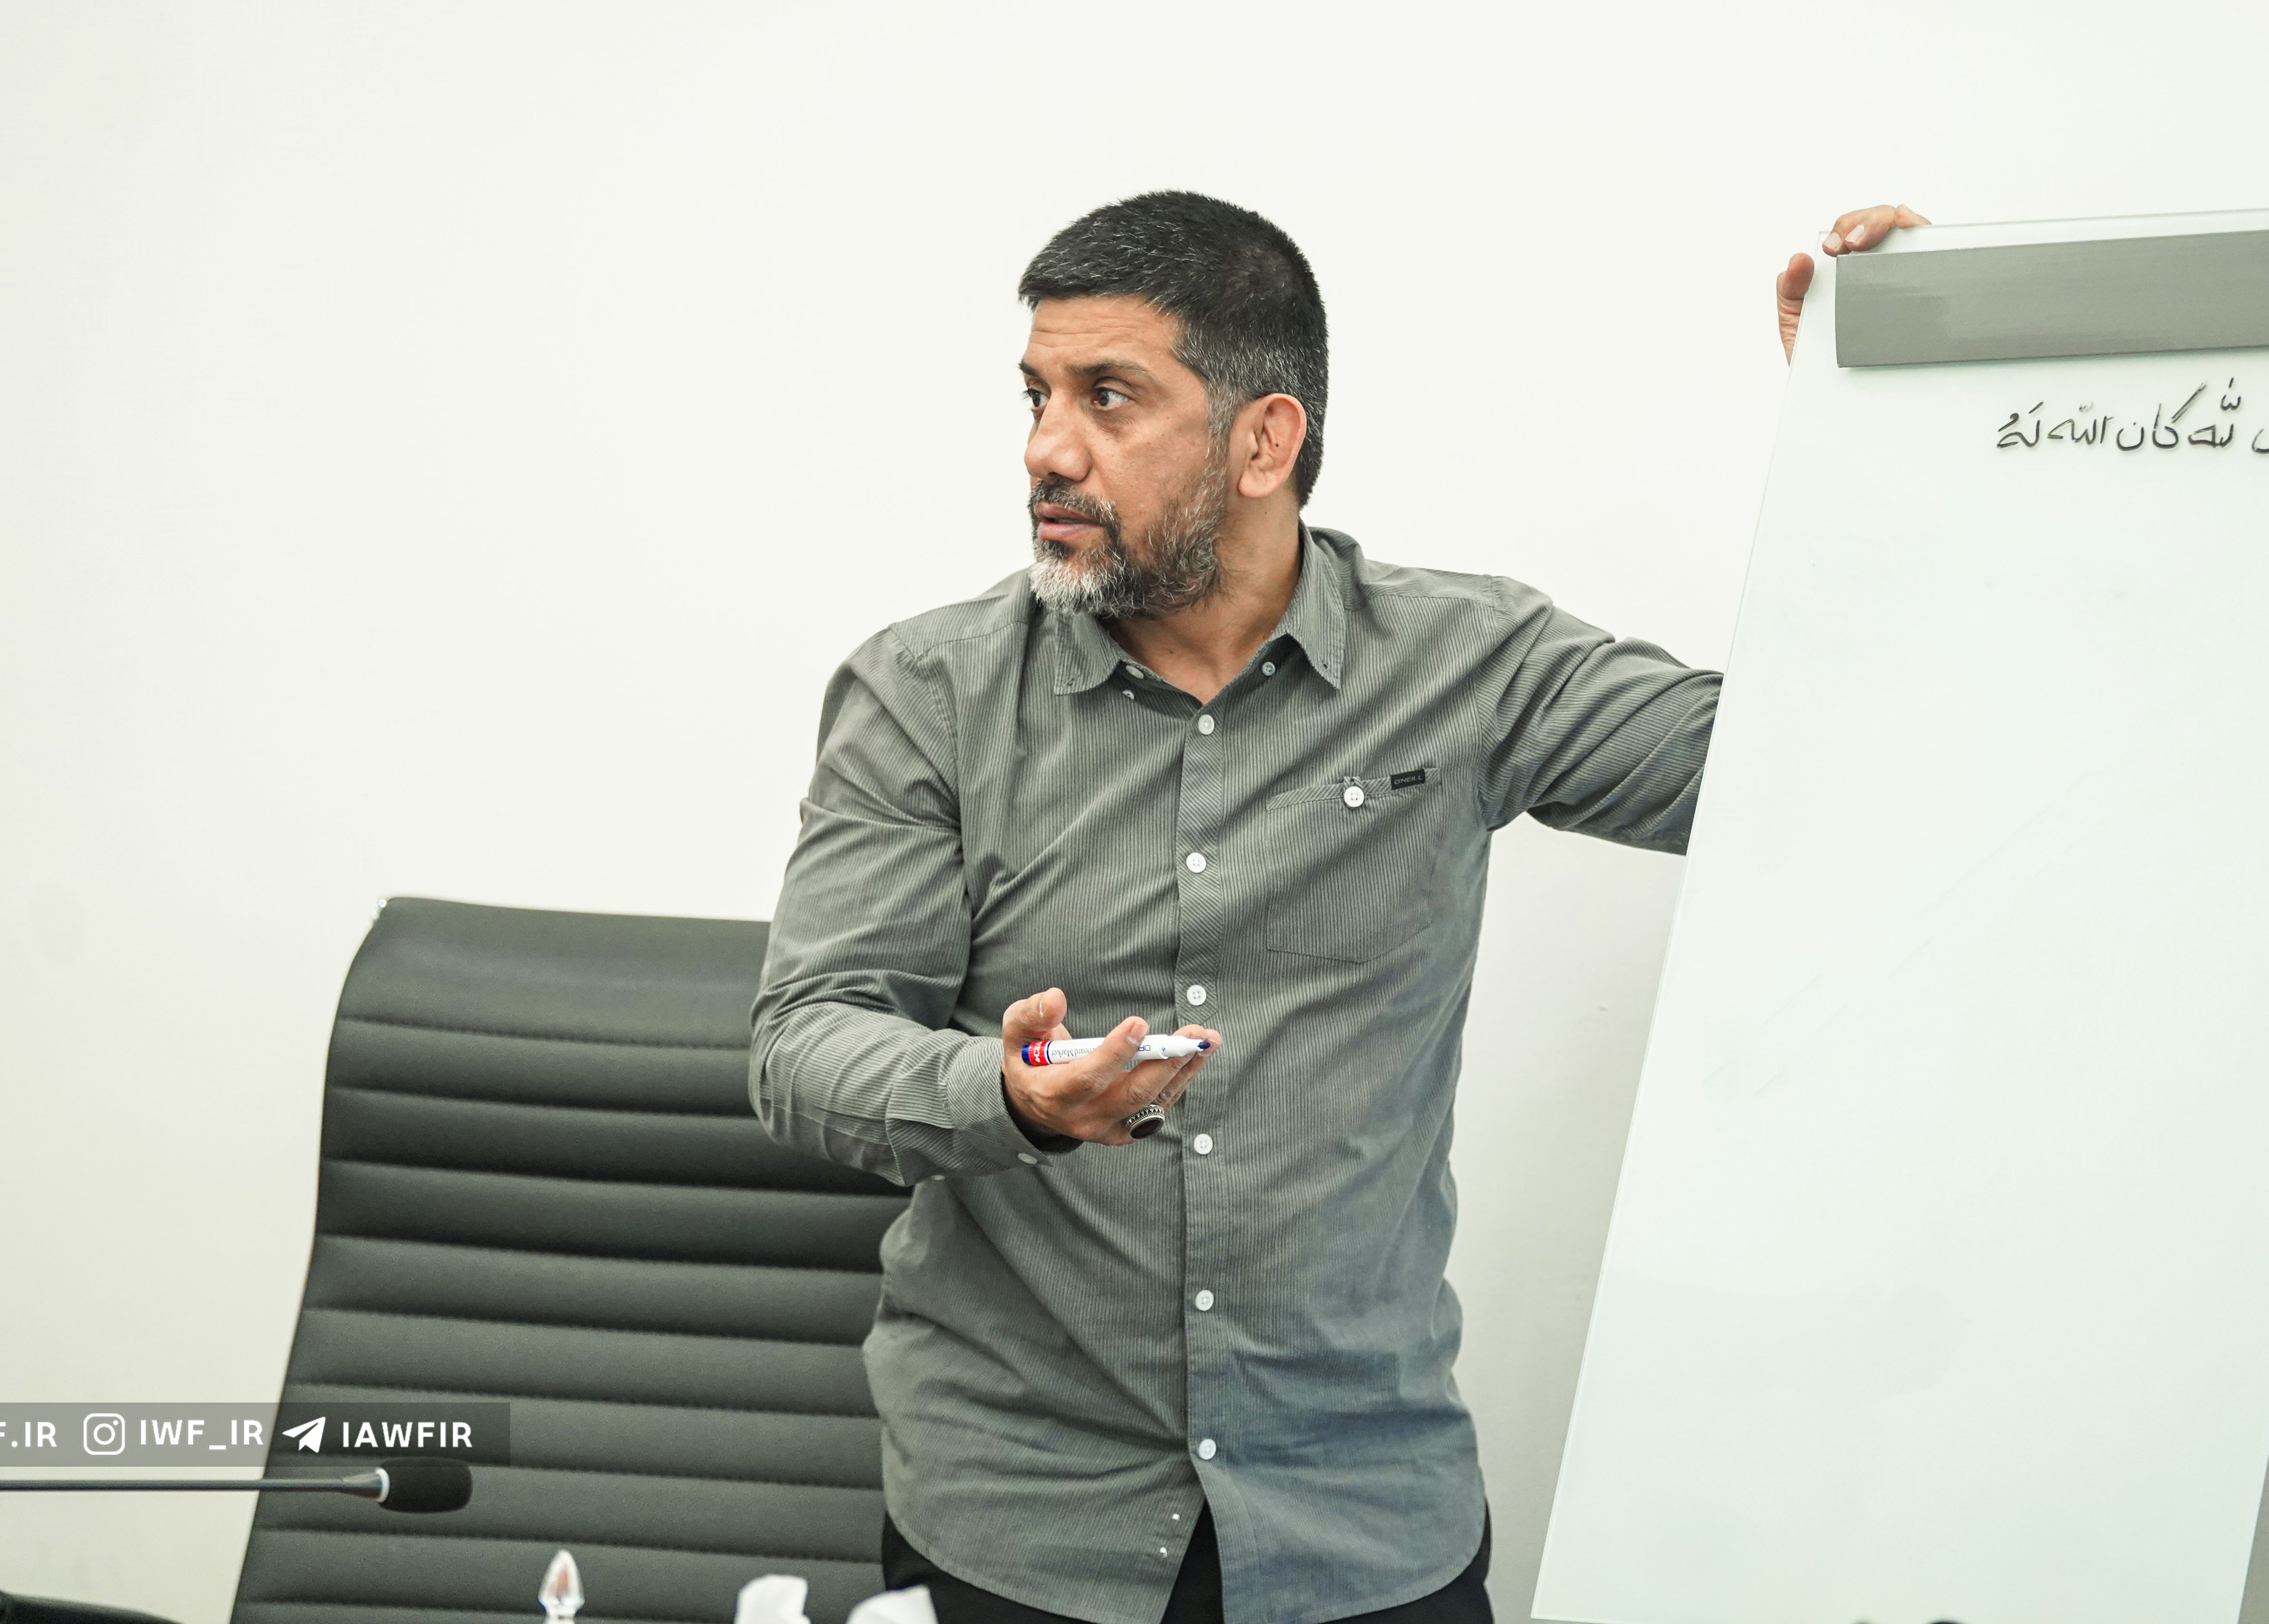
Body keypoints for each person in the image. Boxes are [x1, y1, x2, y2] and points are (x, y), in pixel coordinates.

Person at [750, 189, 1919, 1624]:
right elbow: (806, 1037)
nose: (1046, 446)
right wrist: (1005, 1096)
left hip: (1362, 1522)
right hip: (1024, 1528)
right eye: (1037, 394)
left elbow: (1801, 771)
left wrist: (1877, 437)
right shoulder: (928, 694)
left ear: (1266, 440)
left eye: (1108, 396)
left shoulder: (1468, 664)